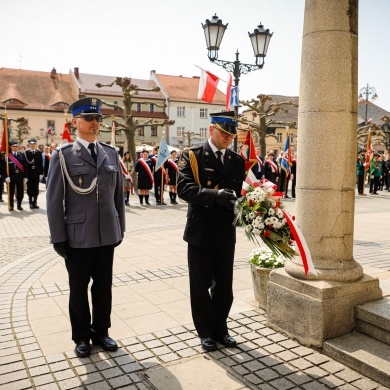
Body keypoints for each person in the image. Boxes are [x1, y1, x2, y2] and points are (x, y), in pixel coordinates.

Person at [46, 97, 125, 358]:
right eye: (89, 118)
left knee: (103, 287)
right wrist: (58, 237)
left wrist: (119, 228)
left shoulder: (110, 153)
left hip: (106, 235)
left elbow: (117, 198)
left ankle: (101, 332)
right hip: (78, 237)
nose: (95, 123)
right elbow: (54, 199)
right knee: (78, 289)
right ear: (75, 122)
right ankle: (81, 337)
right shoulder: (63, 155)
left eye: (98, 119)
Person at [177, 111, 245, 352]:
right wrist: (215, 196)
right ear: (211, 131)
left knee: (224, 287)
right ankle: (205, 332)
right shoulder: (192, 156)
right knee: (200, 284)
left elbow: (241, 194)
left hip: (226, 232)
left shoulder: (237, 161)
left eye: (231, 135)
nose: (228, 138)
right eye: (223, 133)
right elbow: (184, 188)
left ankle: (221, 328)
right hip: (200, 231)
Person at [5, 140, 26, 211]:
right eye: (14, 146)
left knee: (20, 191)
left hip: (20, 176)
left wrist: (25, 176)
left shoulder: (21, 154)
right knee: (11, 191)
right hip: (11, 176)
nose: (16, 147)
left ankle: (19, 205)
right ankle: (11, 205)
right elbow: (4, 167)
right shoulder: (7, 155)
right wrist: (6, 176)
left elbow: (25, 166)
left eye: (17, 146)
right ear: (11, 147)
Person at [24, 138, 43, 209]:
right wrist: (25, 175)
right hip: (29, 173)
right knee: (30, 188)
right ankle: (30, 202)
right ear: (29, 144)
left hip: (36, 173)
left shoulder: (39, 152)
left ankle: (35, 202)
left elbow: (41, 163)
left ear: (36, 144)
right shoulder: (26, 153)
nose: (33, 145)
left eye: (34, 144)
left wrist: (41, 173)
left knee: (36, 187)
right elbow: (25, 165)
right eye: (31, 144)